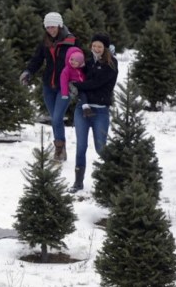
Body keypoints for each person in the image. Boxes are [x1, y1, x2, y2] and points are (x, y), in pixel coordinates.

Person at [20, 11, 78, 161]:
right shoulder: (45, 42)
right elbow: (37, 60)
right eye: (48, 27)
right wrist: (28, 72)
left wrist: (75, 81)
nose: (50, 30)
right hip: (48, 86)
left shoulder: (71, 41)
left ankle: (59, 149)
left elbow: (79, 62)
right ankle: (61, 149)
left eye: (53, 27)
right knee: (54, 118)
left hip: (65, 86)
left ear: (59, 25)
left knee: (57, 118)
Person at [69, 32, 118, 192]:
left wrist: (77, 85)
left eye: (100, 46)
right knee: (81, 147)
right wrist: (79, 89)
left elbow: (97, 83)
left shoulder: (111, 64)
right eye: (94, 45)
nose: (96, 48)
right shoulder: (87, 63)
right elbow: (82, 82)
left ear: (105, 48)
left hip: (100, 112)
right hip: (82, 110)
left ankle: (112, 178)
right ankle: (78, 182)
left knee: (101, 147)